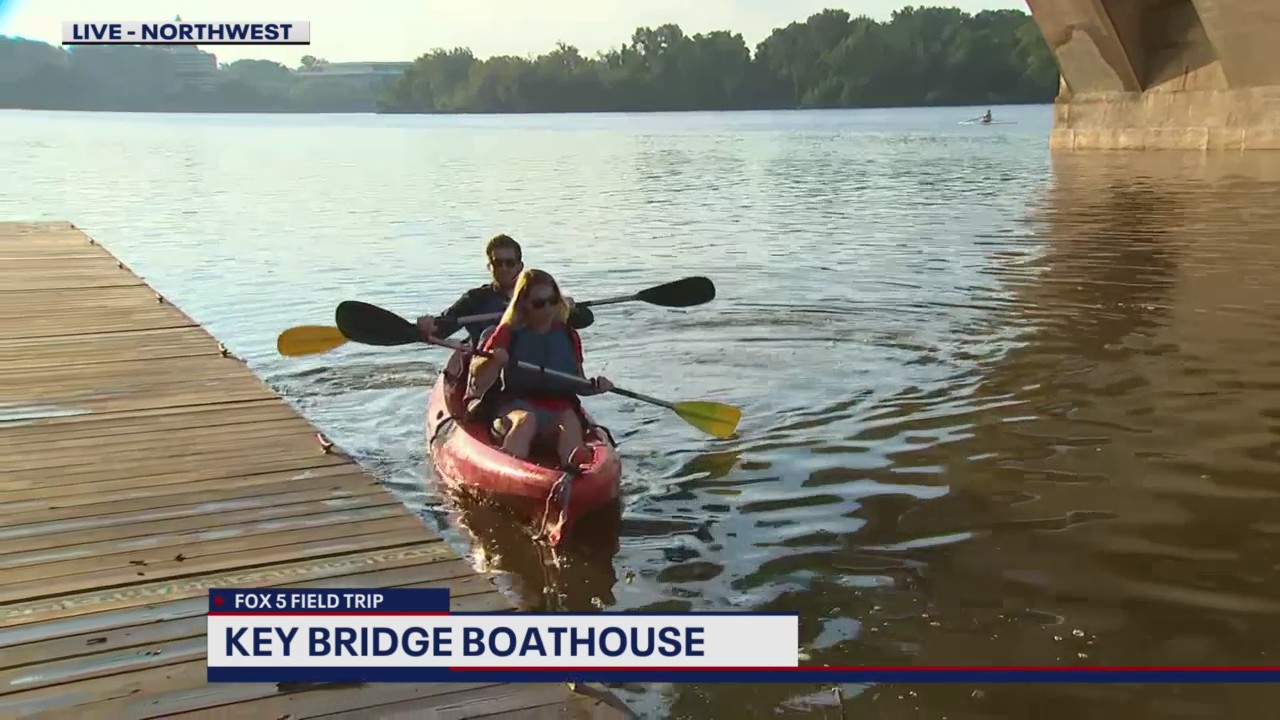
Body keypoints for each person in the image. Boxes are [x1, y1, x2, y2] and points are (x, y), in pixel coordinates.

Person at [468, 268, 614, 469]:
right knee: (526, 421)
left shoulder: (568, 335)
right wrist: (493, 361)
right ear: (524, 305)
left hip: (558, 407)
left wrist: (596, 386)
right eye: (539, 303)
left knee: (570, 422)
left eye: (552, 301)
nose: (547, 308)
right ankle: (511, 471)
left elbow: (578, 382)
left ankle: (573, 472)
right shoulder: (508, 332)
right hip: (516, 405)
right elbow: (478, 378)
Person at [416, 234, 594, 347]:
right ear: (489, 266)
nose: (504, 268)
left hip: (529, 362)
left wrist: (566, 308)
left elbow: (585, 319)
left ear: (520, 266)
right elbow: (442, 329)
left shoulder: (538, 297)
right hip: (487, 366)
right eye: (497, 263)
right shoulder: (475, 299)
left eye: (510, 263)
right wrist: (429, 326)